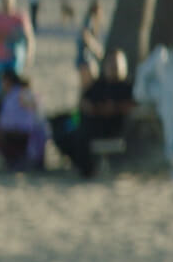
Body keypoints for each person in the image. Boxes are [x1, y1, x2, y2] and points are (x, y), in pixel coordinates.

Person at [51, 51, 138, 179]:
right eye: (110, 64)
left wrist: (104, 109)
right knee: (59, 123)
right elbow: (85, 101)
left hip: (108, 128)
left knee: (81, 134)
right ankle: (77, 163)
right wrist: (88, 107)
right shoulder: (100, 84)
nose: (113, 68)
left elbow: (129, 107)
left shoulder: (127, 87)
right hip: (85, 120)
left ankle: (87, 169)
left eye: (116, 65)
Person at [0, 0, 35, 93]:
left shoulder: (20, 17)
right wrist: (13, 36)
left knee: (14, 91)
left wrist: (29, 54)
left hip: (15, 59)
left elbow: (29, 37)